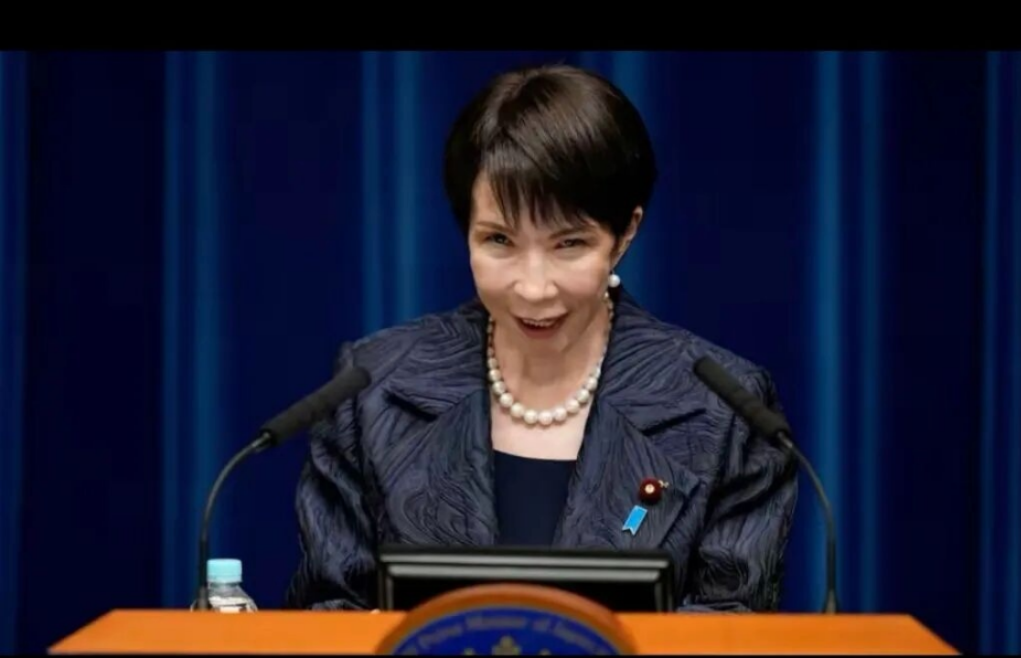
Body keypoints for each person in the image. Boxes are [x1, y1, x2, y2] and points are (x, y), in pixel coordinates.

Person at [284, 63, 798, 613]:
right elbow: (327, 614)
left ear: (624, 234)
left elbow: (732, 630)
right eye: (499, 240)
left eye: (569, 244)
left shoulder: (724, 410)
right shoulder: (374, 389)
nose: (533, 288)